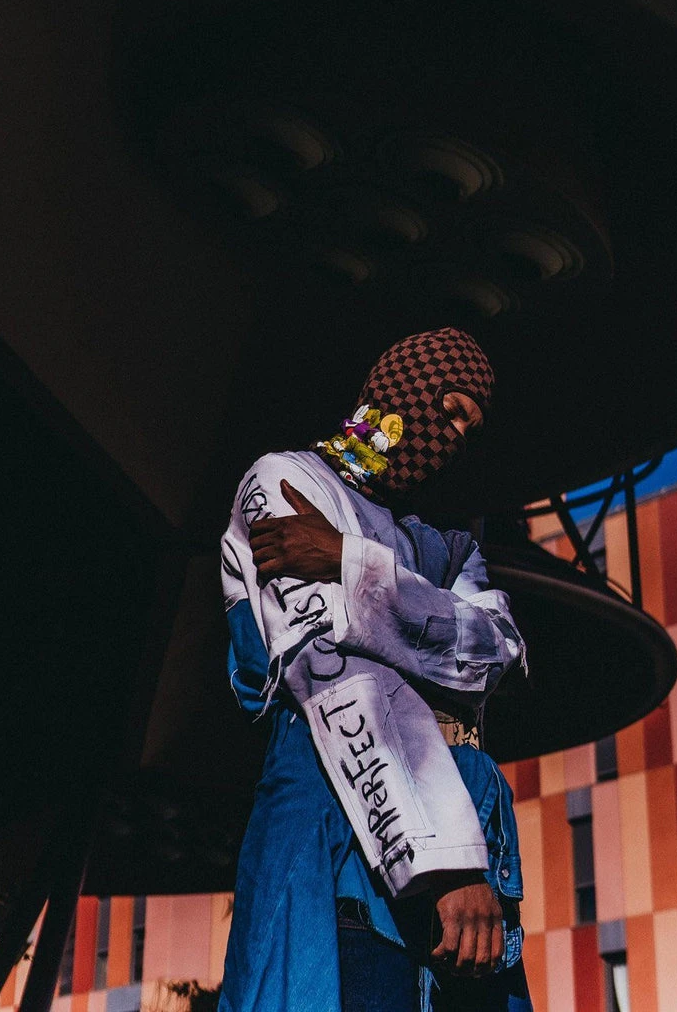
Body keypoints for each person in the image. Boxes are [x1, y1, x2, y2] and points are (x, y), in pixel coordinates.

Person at [218, 327, 533, 1012]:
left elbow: (496, 650)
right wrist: (444, 864)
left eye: (470, 429)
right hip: (343, 838)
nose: (455, 437)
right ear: (405, 391)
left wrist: (352, 565)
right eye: (451, 410)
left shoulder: (449, 544)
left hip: (467, 836)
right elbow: (334, 673)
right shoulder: (287, 482)